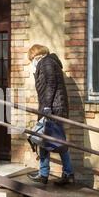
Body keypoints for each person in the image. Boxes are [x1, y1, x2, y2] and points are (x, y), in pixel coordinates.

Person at [27, 44, 74, 185]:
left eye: (31, 58)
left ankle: (63, 173)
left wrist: (47, 106)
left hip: (52, 109)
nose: (31, 61)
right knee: (46, 140)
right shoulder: (47, 62)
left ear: (36, 55)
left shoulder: (46, 62)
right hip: (52, 108)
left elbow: (51, 84)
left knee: (54, 141)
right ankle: (48, 173)